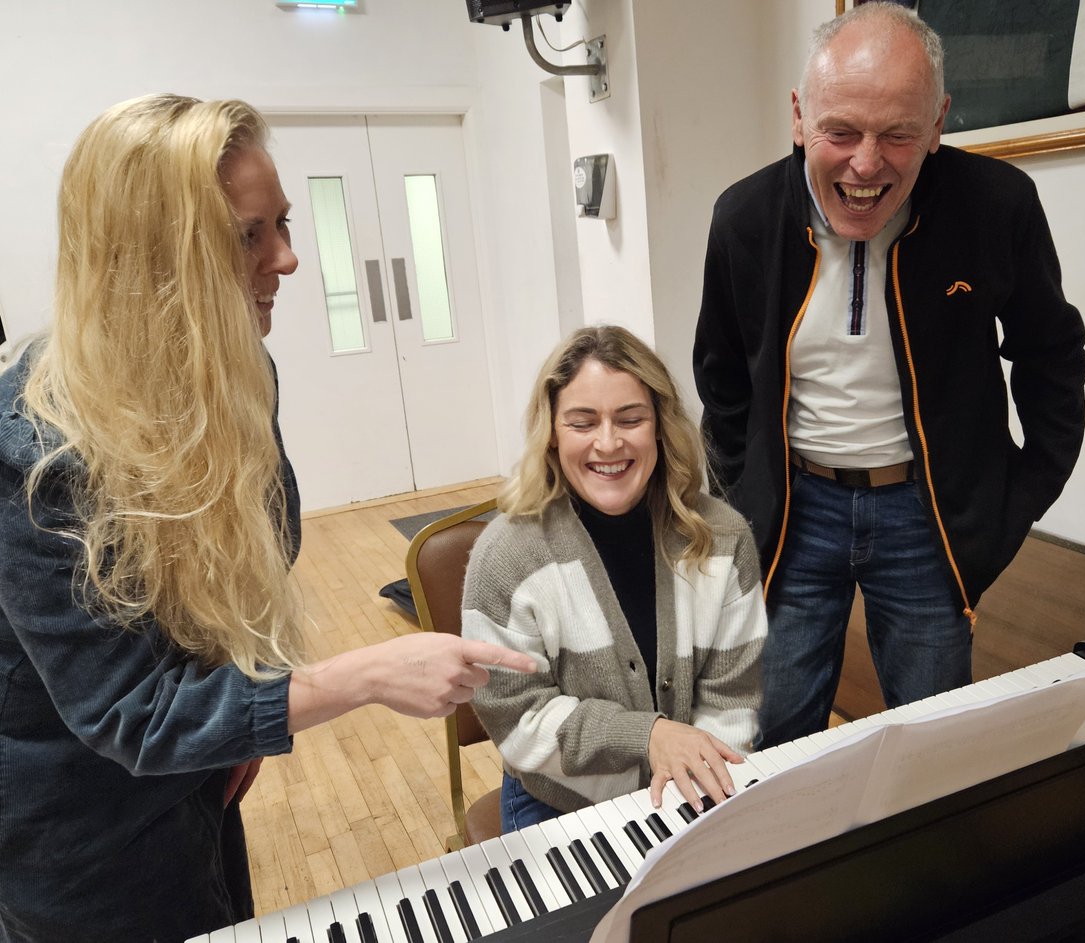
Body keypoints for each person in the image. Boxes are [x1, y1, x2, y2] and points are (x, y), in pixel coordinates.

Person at [0, 93, 534, 943]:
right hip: (83, 847)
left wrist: (243, 706)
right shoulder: (35, 460)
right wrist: (361, 677)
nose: (287, 259)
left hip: (200, 793)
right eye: (249, 234)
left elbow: (256, 555)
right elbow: (131, 713)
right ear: (152, 258)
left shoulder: (237, 378)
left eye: (283, 223)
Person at [693, 4, 1085, 750]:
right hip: (793, 517)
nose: (867, 164)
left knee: (935, 742)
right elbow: (721, 379)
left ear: (938, 122)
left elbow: (1052, 356)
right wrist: (750, 503)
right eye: (840, 131)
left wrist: (1011, 504)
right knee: (770, 732)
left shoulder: (998, 206)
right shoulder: (743, 218)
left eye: (898, 134)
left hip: (925, 516)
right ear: (799, 117)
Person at [462, 325, 767, 832]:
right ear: (553, 434)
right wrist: (647, 736)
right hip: (557, 802)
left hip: (695, 787)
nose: (608, 443)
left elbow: (732, 698)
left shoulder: (724, 538)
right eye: (583, 423)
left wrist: (690, 799)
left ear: (661, 428)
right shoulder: (505, 555)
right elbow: (518, 718)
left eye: (631, 419)